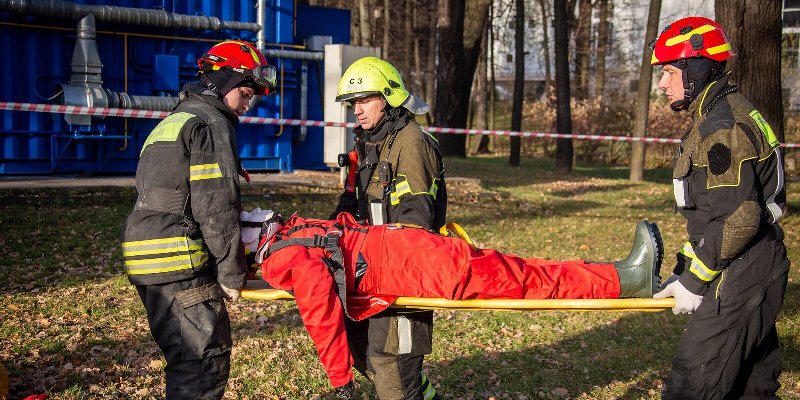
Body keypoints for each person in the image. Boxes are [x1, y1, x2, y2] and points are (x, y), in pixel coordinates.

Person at [248, 209, 663, 398]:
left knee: (527, 279)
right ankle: (623, 275)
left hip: (422, 265)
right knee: (526, 274)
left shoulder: (282, 251)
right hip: (412, 254)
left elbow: (319, 309)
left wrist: (339, 382)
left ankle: (627, 278)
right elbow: (322, 299)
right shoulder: (289, 237)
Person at [120, 40, 276, 399]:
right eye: (247, 92)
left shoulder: (173, 121)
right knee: (204, 363)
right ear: (224, 81)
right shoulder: (211, 123)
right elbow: (216, 206)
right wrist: (231, 273)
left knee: (183, 360)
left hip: (145, 262)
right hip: (180, 261)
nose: (248, 103)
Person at [649, 16, 789, 399]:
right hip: (749, 265)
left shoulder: (722, 127)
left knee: (691, 386)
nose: (662, 83)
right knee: (752, 388)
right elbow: (714, 212)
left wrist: (695, 283)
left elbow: (739, 217)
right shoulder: (717, 115)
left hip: (745, 270)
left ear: (695, 70)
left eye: (669, 72)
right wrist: (684, 269)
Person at [331, 56, 446, 400]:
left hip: (402, 274)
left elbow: (416, 221)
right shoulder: (370, 144)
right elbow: (354, 206)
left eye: (366, 100)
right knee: (364, 355)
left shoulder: (411, 144)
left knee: (393, 367)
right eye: (354, 104)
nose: (358, 111)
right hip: (370, 272)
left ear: (389, 97)